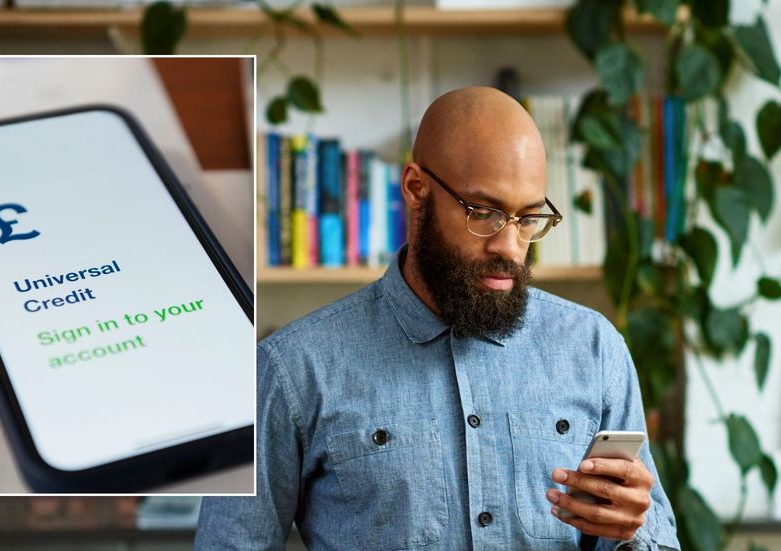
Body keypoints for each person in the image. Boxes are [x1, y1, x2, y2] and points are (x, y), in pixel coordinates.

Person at [196, 87, 680, 550]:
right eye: (484, 213)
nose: (509, 248)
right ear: (416, 189)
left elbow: (652, 534)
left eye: (529, 218)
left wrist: (632, 533)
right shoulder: (290, 369)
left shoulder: (595, 349)